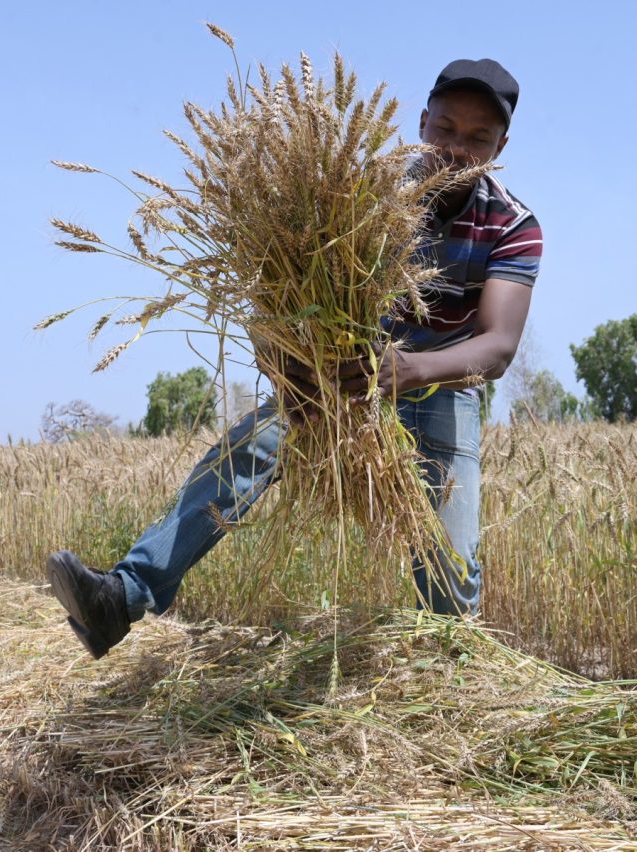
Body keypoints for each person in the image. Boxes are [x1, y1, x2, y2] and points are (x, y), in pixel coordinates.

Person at [48, 58, 542, 659]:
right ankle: (120, 598)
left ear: (501, 147)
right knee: (249, 448)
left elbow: (496, 348)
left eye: (477, 139)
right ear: (420, 123)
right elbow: (278, 284)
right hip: (342, 375)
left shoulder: (514, 225)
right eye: (444, 128)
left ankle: (449, 666)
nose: (455, 148)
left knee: (449, 583)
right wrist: (283, 357)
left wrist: (408, 370)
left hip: (440, 384)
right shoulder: (357, 191)